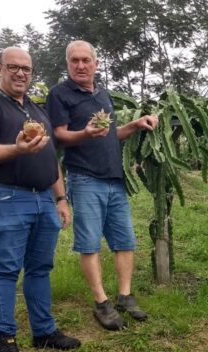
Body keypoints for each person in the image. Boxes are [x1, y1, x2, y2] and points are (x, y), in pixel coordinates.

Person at [0, 47, 81, 352]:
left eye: (26, 69)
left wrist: (60, 199)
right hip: (7, 197)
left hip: (44, 198)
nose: (20, 73)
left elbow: (52, 160)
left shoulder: (34, 109)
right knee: (5, 269)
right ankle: (2, 343)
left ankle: (43, 332)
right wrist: (16, 149)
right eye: (13, 67)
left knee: (40, 268)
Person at [46, 40, 158, 331]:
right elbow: (59, 136)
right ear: (68, 64)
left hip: (114, 179)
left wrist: (135, 125)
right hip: (84, 178)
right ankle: (101, 302)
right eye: (75, 61)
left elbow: (109, 135)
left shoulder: (102, 94)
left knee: (125, 241)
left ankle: (124, 296)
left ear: (96, 63)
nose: (81, 65)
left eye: (86, 60)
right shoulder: (59, 94)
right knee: (90, 242)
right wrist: (84, 132)